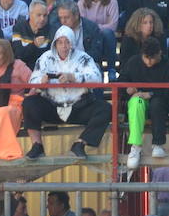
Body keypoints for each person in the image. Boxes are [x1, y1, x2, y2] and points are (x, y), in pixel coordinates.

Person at [23, 26, 110, 159]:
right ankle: (37, 145)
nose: (64, 46)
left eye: (67, 42)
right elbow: (32, 80)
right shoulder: (45, 58)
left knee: (105, 108)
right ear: (55, 43)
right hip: (51, 105)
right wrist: (42, 82)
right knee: (29, 103)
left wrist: (73, 77)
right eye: (60, 42)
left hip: (78, 107)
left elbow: (96, 78)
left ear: (72, 43)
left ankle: (80, 144)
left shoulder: (83, 58)